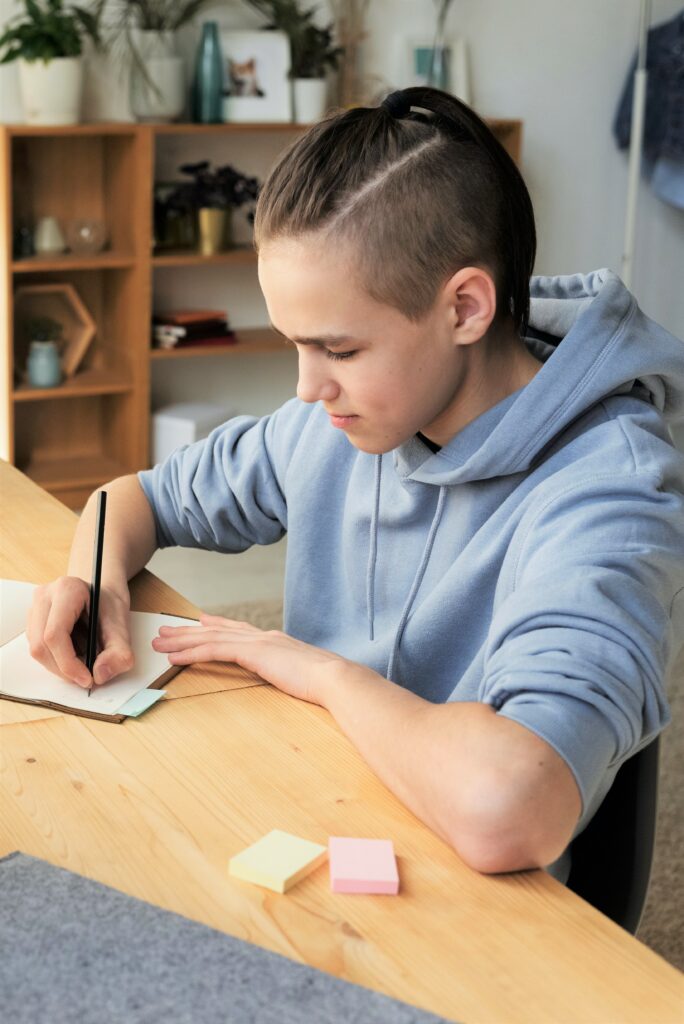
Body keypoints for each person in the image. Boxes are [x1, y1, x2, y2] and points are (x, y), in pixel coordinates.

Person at [27, 87, 684, 883]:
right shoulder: (346, 416)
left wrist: (322, 672)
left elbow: (512, 809)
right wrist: (94, 582)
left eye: (337, 349)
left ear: (466, 308)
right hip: (316, 808)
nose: (306, 388)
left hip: (469, 895)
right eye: (295, 344)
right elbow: (131, 500)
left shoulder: (608, 490)